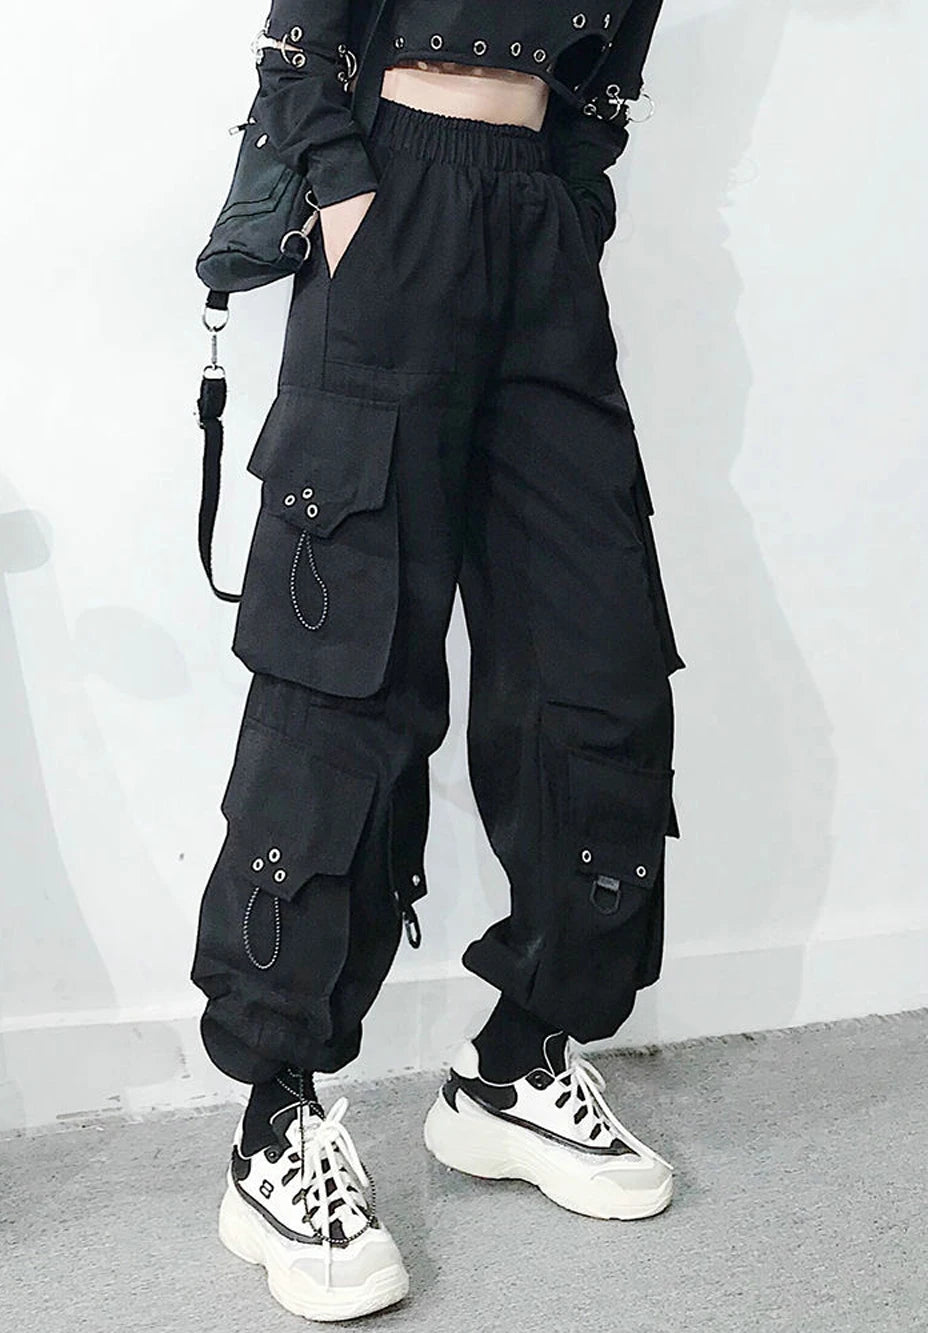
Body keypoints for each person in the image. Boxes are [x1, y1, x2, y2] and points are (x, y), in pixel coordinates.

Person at [190, 0, 685, 1320]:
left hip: (539, 234)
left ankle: (516, 1065)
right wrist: (353, 201)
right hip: (395, 197)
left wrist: (566, 204)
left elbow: (610, 80)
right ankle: (275, 1120)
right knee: (345, 683)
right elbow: (301, 45)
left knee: (600, 669)